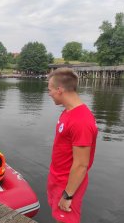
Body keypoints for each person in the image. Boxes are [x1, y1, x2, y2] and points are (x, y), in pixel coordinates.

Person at [47, 68, 98, 223]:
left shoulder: (81, 120)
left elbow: (81, 164)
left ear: (59, 90)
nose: (49, 93)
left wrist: (68, 194)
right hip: (57, 178)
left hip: (68, 184)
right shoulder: (68, 112)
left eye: (50, 90)